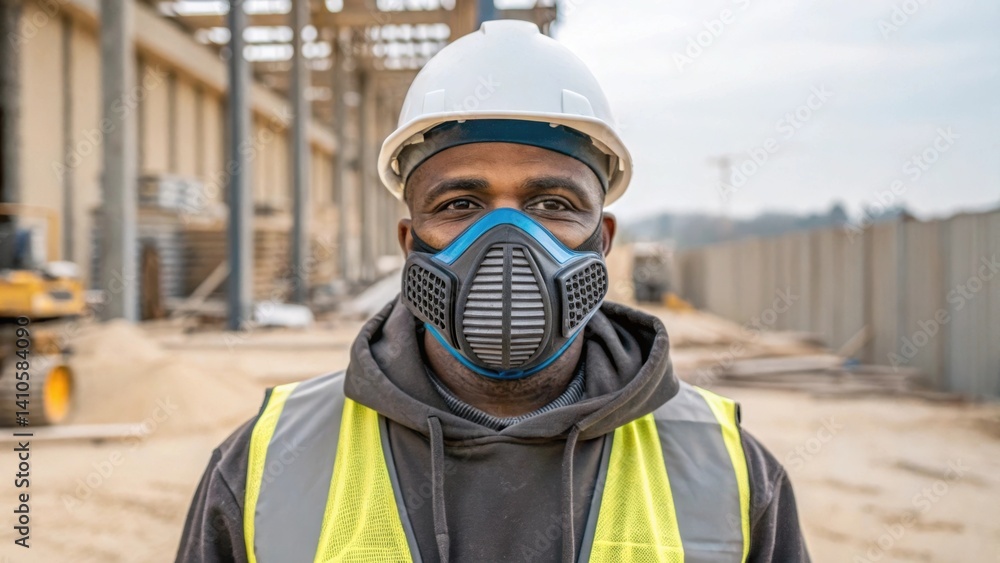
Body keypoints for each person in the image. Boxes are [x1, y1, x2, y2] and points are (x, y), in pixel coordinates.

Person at [177, 20, 810, 563]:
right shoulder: (269, 464)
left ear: (603, 240)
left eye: (553, 203)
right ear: (409, 241)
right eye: (460, 203)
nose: (508, 241)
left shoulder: (726, 473)